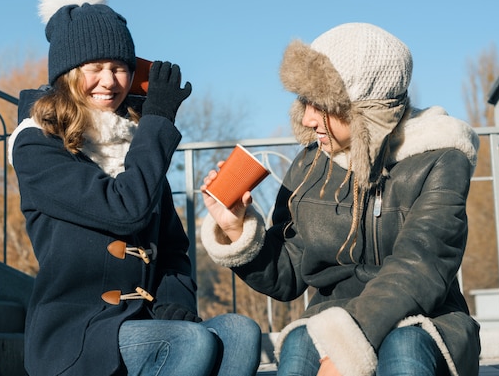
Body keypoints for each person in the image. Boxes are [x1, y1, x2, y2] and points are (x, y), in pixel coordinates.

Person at [8, 0, 261, 376]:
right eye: (94, 67)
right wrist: (157, 122)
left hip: (140, 321)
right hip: (78, 335)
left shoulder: (134, 143)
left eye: (121, 67)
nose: (109, 81)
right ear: (68, 74)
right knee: (189, 342)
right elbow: (125, 210)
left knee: (240, 331)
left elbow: (173, 248)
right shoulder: (38, 145)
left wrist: (173, 301)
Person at [200, 22, 481, 376]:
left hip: (428, 319)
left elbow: (420, 268)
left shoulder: (440, 158)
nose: (307, 118)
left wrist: (348, 345)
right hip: (331, 316)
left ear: (367, 109)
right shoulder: (310, 163)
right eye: (305, 102)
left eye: (322, 105)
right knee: (301, 343)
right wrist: (238, 230)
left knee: (404, 346)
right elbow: (288, 275)